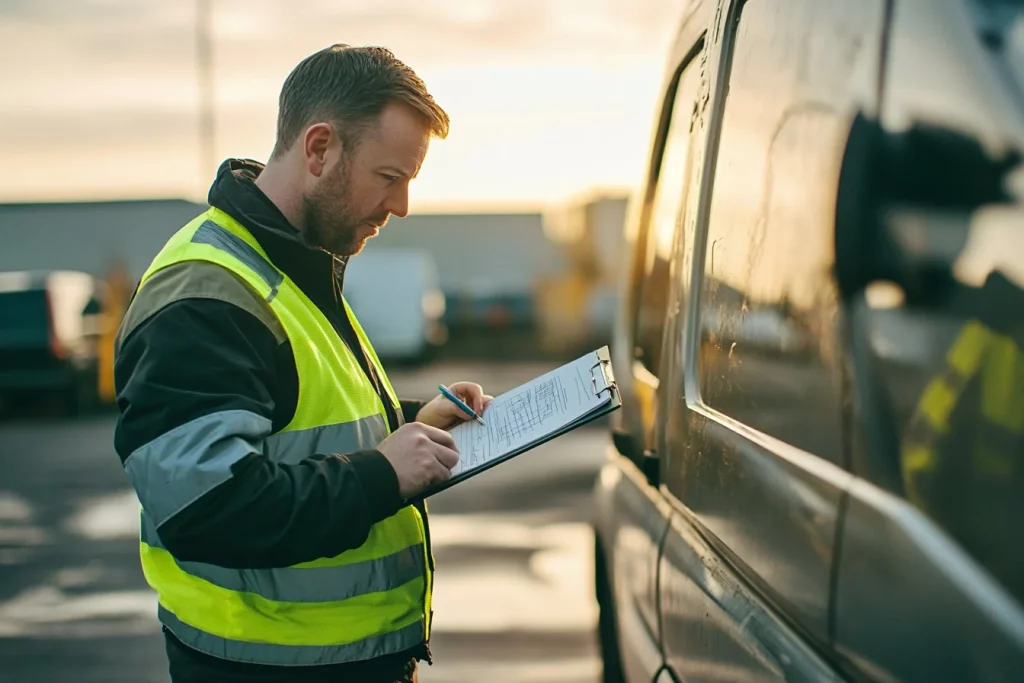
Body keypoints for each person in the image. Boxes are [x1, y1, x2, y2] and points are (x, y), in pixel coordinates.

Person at [113, 44, 492, 683]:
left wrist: (410, 422)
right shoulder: (207, 293)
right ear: (319, 150)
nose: (400, 206)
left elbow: (295, 427)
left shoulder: (291, 266)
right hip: (265, 668)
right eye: (389, 177)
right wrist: (381, 473)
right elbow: (206, 507)